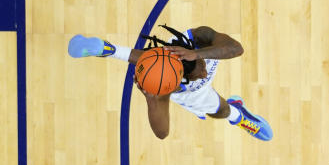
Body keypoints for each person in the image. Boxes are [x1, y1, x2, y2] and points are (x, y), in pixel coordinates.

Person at [68, 26, 273, 141]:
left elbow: (236, 48)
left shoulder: (199, 38)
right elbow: (162, 133)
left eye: (201, 68)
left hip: (202, 53)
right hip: (191, 94)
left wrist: (197, 55)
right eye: (197, 75)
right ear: (180, 78)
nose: (203, 74)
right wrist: (152, 101)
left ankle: (107, 49)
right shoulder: (168, 83)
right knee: (221, 110)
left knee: (138, 57)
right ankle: (238, 115)